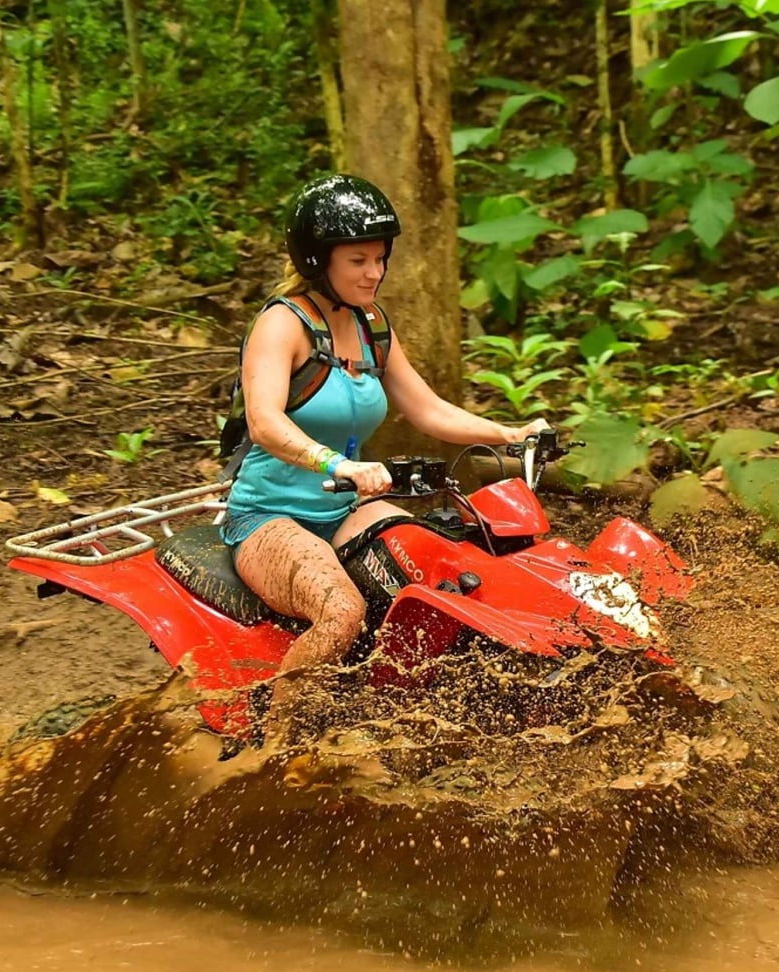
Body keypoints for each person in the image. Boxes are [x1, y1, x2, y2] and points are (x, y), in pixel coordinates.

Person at [221, 173, 547, 714]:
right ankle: (277, 737)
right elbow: (264, 422)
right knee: (340, 612)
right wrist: (337, 464)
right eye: (358, 261)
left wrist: (510, 434)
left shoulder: (372, 325)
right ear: (316, 260)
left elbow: (428, 409)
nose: (375, 272)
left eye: (380, 258)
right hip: (267, 517)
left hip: (343, 509)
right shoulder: (282, 325)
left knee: (441, 568)